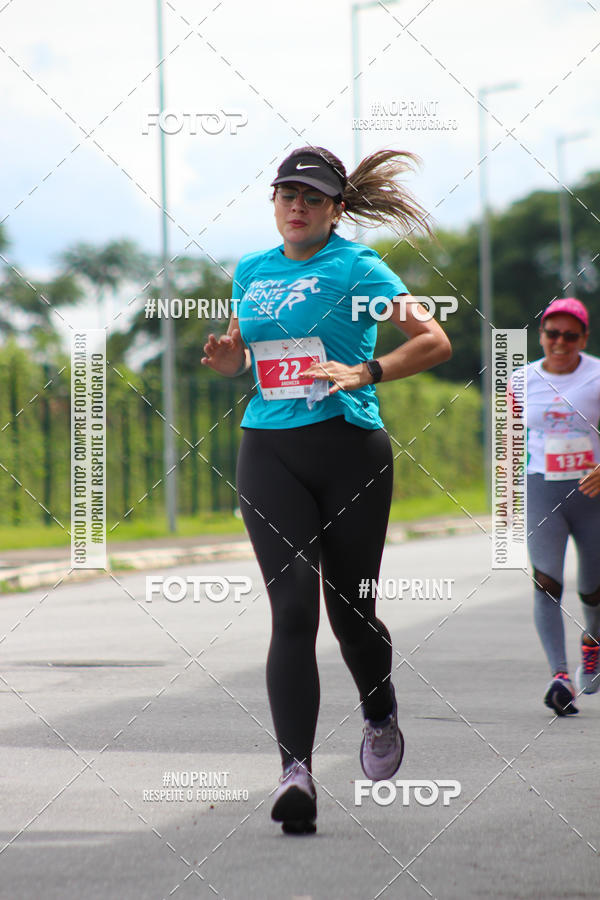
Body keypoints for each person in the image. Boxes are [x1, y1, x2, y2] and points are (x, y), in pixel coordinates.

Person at [201, 146, 451, 833]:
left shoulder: (358, 267)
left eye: (312, 197)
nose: (298, 206)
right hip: (268, 448)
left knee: (351, 613)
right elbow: (247, 353)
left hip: (349, 450)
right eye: (288, 194)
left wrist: (368, 371)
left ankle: (379, 708)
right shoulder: (251, 271)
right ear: (274, 201)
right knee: (292, 611)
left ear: (336, 209)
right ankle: (296, 774)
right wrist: (230, 361)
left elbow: (433, 340)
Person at [524, 298, 600, 716]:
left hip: (593, 494)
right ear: (541, 335)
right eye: (552, 334)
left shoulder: (597, 374)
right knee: (546, 581)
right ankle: (559, 676)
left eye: (570, 336)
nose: (560, 342)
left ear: (583, 339)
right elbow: (506, 443)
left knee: (593, 589)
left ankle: (593, 640)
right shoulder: (520, 380)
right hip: (542, 490)